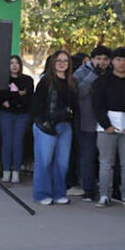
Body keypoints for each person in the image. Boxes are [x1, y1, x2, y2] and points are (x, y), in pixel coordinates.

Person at [31, 50, 78, 205]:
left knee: (62, 163)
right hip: (47, 126)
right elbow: (37, 105)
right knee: (44, 162)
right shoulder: (45, 82)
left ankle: (59, 193)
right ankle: (41, 193)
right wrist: (43, 123)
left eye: (65, 60)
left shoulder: (72, 82)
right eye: (59, 60)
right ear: (52, 63)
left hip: (66, 126)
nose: (62, 63)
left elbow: (75, 106)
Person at [92, 46, 125, 207]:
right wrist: (106, 125)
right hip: (106, 127)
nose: (122, 63)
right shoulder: (102, 81)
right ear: (112, 62)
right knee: (106, 163)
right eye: (118, 59)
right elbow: (97, 105)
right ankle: (104, 195)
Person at [73, 45, 111, 201]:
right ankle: (88, 190)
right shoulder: (81, 72)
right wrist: (93, 75)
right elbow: (79, 92)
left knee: (106, 158)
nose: (101, 62)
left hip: (106, 123)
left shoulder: (111, 73)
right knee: (87, 156)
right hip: (86, 122)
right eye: (98, 58)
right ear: (92, 58)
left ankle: (107, 190)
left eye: (105, 59)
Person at [0, 55, 34, 183]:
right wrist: (18, 94)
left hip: (22, 114)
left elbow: (28, 98)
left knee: (18, 142)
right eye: (11, 63)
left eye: (16, 63)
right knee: (7, 142)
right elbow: (1, 96)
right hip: (6, 114)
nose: (14, 65)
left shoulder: (27, 80)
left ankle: (16, 172)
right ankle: (6, 171)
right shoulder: (3, 80)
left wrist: (12, 98)